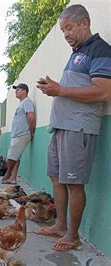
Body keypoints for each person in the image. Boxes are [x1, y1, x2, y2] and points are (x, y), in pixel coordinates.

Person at [35, 4, 111, 252]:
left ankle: (73, 234)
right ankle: (60, 225)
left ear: (85, 23)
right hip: (61, 127)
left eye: (69, 28)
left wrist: (60, 90)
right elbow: (75, 88)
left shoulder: (99, 49)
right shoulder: (78, 51)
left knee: (74, 183)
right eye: (62, 30)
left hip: (79, 129)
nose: (66, 34)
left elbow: (103, 92)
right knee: (56, 178)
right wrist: (55, 87)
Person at [1, 83, 35, 184]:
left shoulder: (27, 102)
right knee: (16, 157)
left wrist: (31, 132)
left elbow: (31, 117)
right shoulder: (21, 103)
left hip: (22, 134)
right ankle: (13, 178)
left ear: (25, 91)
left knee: (11, 157)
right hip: (17, 134)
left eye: (18, 89)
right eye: (16, 90)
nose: (16, 91)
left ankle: (8, 173)